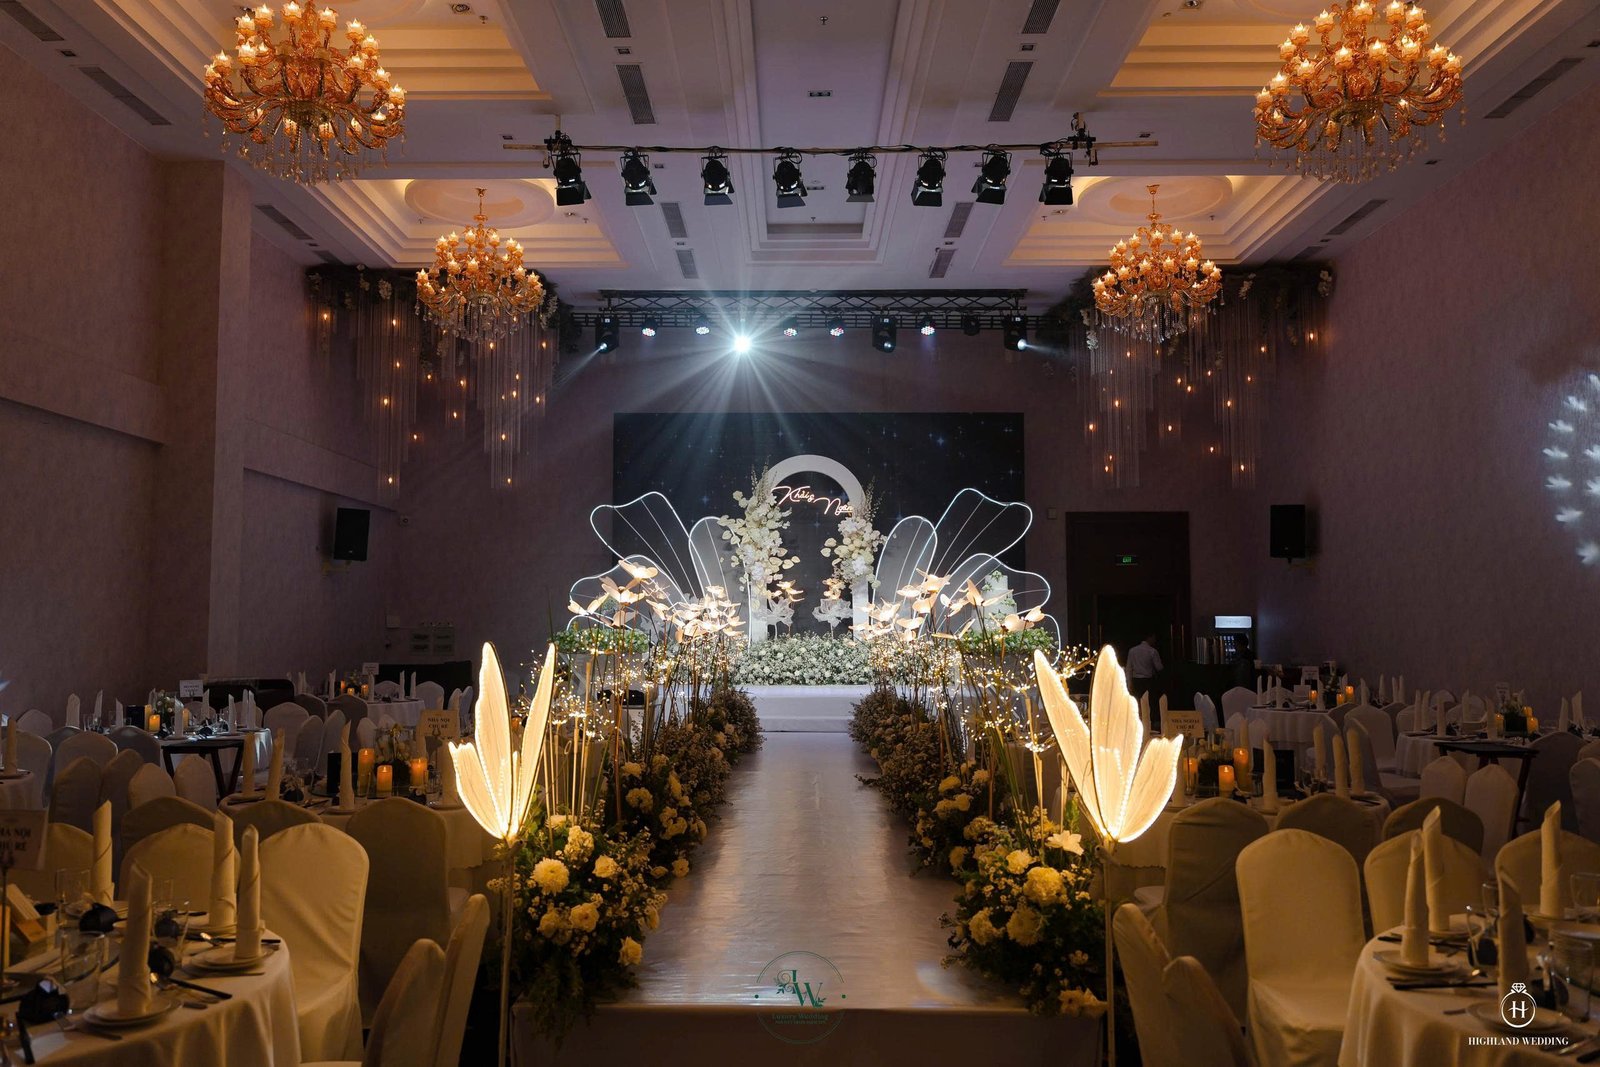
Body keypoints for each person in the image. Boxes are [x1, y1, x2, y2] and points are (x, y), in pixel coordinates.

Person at [1126, 633, 1163, 700]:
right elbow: (1159, 667)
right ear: (1149, 638)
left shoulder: (1132, 650)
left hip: (1136, 681)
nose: (1155, 640)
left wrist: (1129, 683)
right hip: (1148, 682)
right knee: (1149, 702)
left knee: (1137, 702)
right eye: (1154, 638)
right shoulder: (1152, 651)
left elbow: (1129, 668)